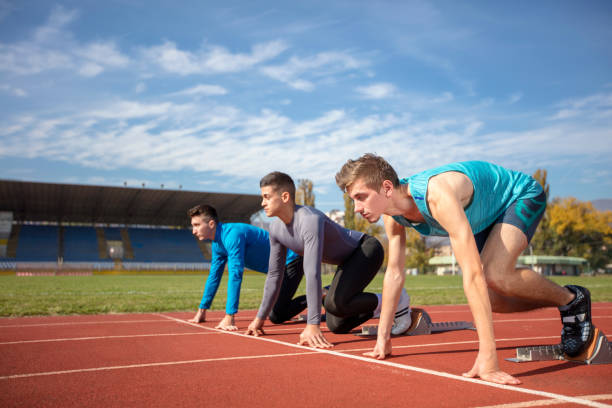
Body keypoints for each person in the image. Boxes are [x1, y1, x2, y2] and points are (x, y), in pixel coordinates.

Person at [335, 154, 593, 385]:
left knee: (494, 274)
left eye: (361, 197)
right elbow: (394, 273)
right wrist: (384, 338)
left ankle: (572, 300)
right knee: (491, 300)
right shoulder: (393, 216)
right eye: (353, 199)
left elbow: (472, 274)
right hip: (482, 217)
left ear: (387, 187)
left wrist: (489, 358)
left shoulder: (436, 196)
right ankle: (564, 300)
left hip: (516, 195)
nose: (357, 208)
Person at [244, 172, 412, 348]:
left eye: (266, 197)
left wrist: (313, 326)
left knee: (335, 302)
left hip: (366, 250)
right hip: (345, 262)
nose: (262, 203)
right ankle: (378, 305)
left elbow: (313, 272)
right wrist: (259, 319)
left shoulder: (309, 220)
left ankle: (397, 299)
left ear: (285, 197)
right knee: (337, 326)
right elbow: (274, 275)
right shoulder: (275, 229)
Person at [188, 204, 307, 330]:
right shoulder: (217, 245)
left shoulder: (233, 235)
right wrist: (202, 310)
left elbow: (235, 275)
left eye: (197, 225)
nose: (193, 231)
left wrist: (229, 316)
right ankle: (320, 301)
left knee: (276, 316)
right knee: (278, 310)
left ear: (211, 224)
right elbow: (214, 277)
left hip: (292, 260)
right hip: (278, 269)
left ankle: (320, 294)